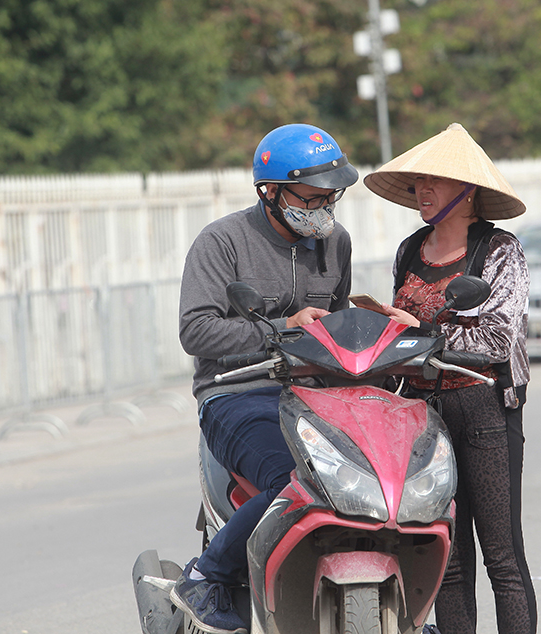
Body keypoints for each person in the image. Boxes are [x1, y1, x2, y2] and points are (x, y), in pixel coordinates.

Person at [174, 123, 358, 634]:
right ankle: (205, 576)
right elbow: (195, 331)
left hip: (314, 394)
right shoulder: (222, 241)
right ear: (270, 192)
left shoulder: (336, 242)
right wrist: (282, 328)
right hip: (237, 393)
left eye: (331, 194)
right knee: (297, 479)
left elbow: (336, 322)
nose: (324, 206)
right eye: (311, 195)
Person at [364, 123, 538, 634]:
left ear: (467, 191)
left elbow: (497, 340)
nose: (423, 190)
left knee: (502, 556)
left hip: (484, 409)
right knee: (448, 558)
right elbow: (400, 336)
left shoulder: (500, 250)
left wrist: (422, 331)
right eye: (418, 181)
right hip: (421, 415)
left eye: (434, 180)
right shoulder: (410, 250)